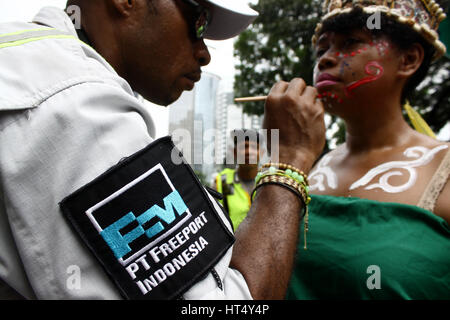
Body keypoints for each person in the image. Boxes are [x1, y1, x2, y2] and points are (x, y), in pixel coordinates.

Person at [0, 0, 326, 300]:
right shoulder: (72, 105)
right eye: (198, 22)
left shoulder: (25, 60)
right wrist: (288, 157)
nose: (204, 53)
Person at [285, 0, 450, 299]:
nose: (325, 60)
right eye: (321, 49)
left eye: (350, 43)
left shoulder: (444, 169)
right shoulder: (308, 169)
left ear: (408, 60)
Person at [214, 129, 264, 231]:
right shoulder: (225, 181)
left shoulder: (267, 183)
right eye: (244, 147)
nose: (249, 152)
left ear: (261, 153)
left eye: (254, 147)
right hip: (233, 245)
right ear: (235, 152)